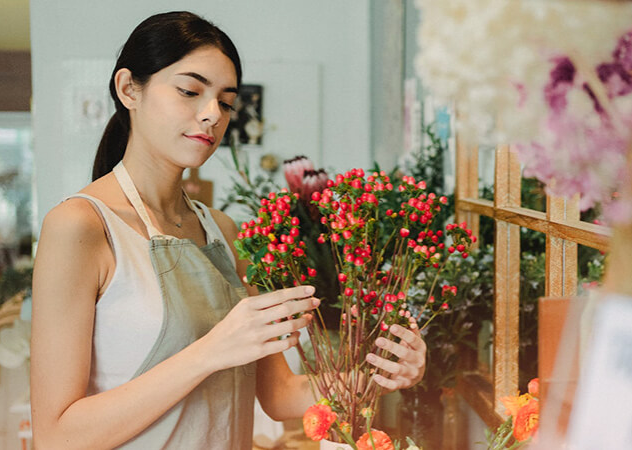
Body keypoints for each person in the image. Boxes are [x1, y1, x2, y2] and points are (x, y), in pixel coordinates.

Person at [30, 11, 426, 449]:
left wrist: (381, 374)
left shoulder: (221, 230)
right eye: (189, 91)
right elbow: (56, 436)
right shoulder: (80, 226)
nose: (211, 115)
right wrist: (209, 351)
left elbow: (278, 395)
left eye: (225, 102)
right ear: (129, 89)